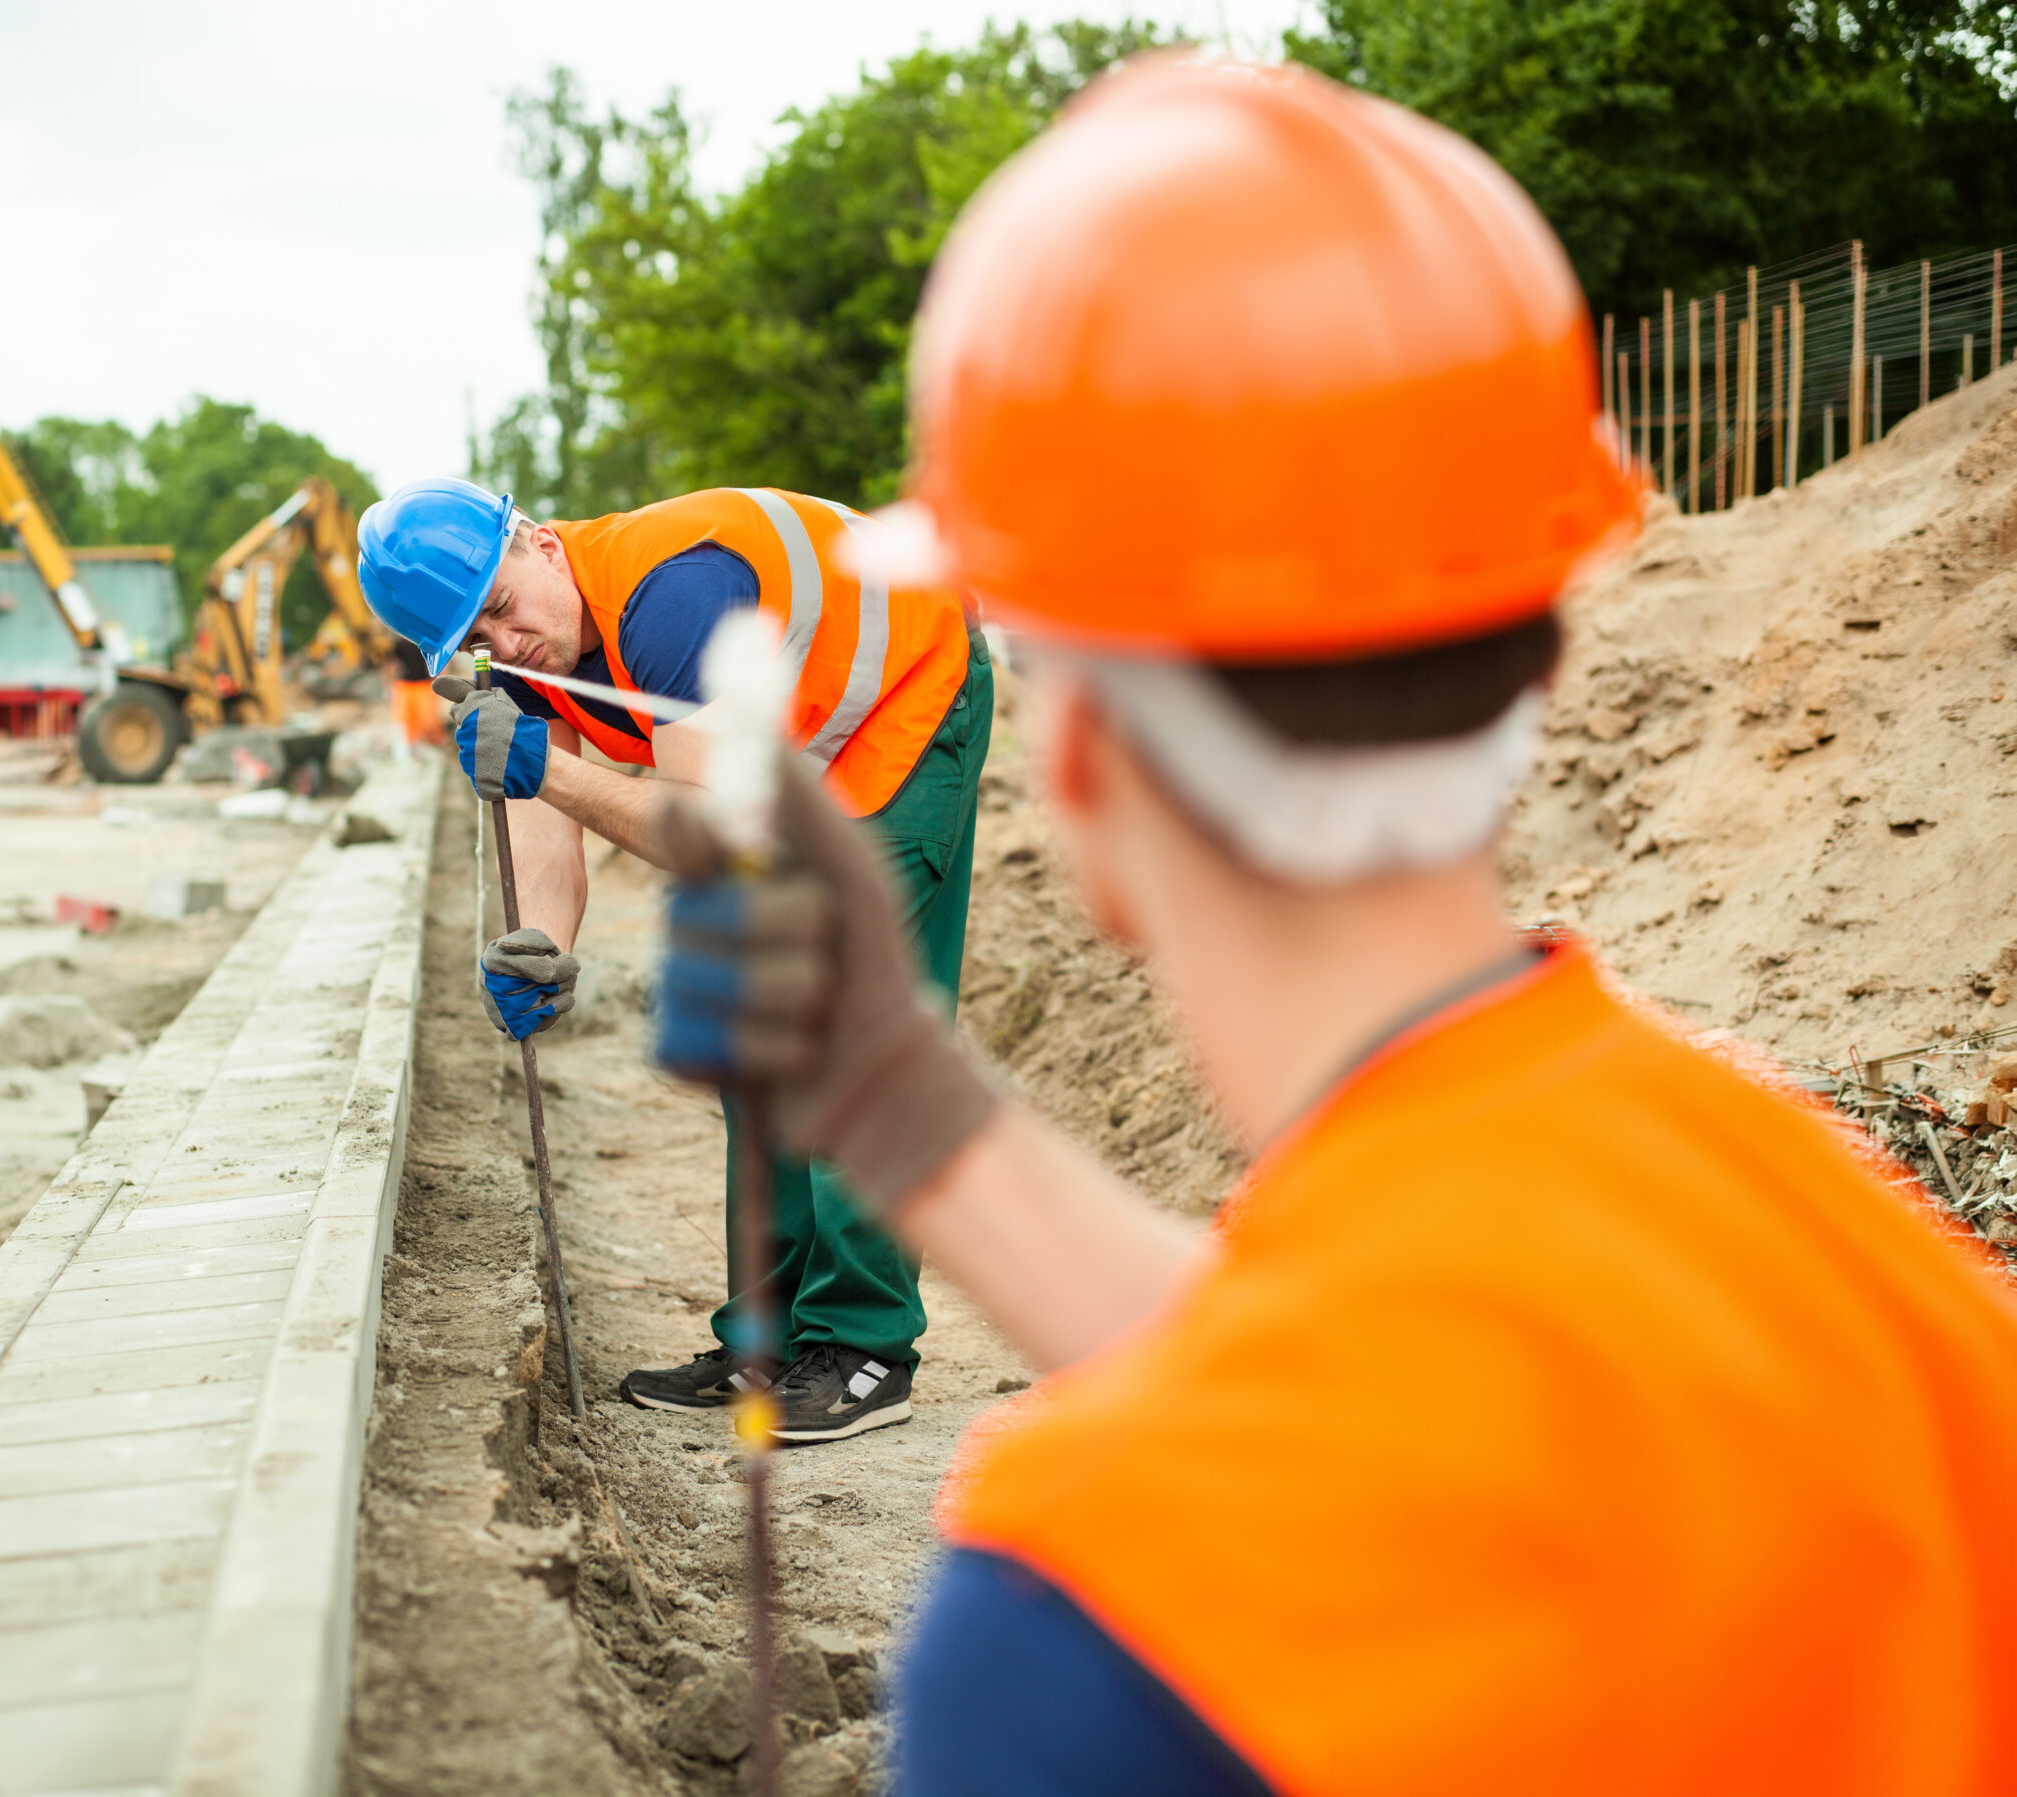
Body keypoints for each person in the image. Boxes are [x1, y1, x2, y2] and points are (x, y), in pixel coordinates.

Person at [653, 56, 2017, 1795]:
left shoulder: (1095, 1619)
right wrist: (901, 1102)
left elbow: (1342, 1415)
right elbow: (1404, 1395)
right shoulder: (1874, 1274)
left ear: (1072, 753)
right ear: (1540, 654)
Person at [354, 473, 990, 1443]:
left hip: (904, 707)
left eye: (501, 608)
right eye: (477, 641)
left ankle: (864, 1349)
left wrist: (552, 769)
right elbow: (543, 824)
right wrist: (539, 948)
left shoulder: (673, 600)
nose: (506, 643)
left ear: (539, 544)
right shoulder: (533, 652)